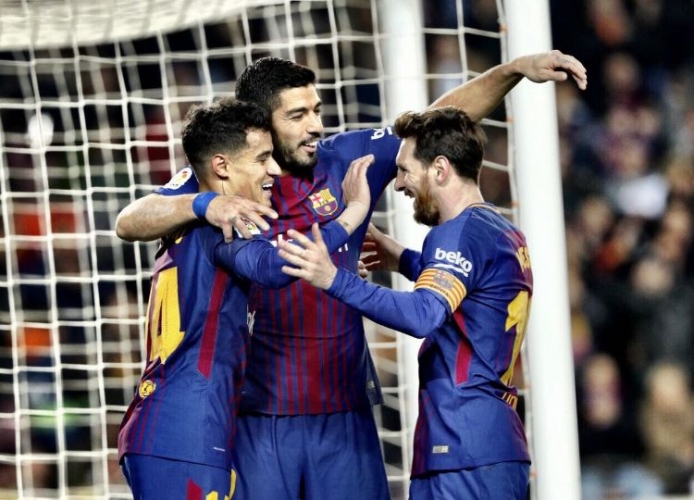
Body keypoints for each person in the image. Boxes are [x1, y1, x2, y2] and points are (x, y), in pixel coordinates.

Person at [114, 51, 586, 499]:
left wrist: (511, 71)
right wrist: (206, 204)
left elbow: (435, 130)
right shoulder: (230, 179)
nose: (315, 125)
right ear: (260, 125)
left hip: (344, 417)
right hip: (259, 417)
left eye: (316, 110)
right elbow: (131, 219)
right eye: (297, 115)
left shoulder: (347, 159)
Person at [117, 97, 373, 499]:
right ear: (222, 166)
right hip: (185, 433)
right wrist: (354, 211)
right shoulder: (221, 226)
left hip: (181, 428)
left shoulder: (187, 218)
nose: (275, 170)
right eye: (262, 159)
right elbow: (274, 266)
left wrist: (335, 265)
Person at [278, 106, 533, 499]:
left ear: (440, 169)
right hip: (491, 444)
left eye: (404, 170)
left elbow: (423, 314)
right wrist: (402, 259)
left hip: (462, 447)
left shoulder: (455, 234)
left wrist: (333, 278)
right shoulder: (502, 232)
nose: (397, 184)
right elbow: (474, 292)